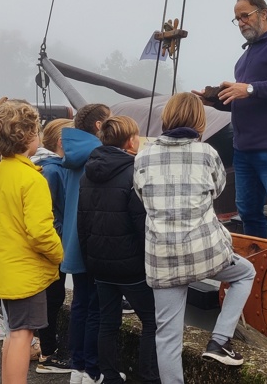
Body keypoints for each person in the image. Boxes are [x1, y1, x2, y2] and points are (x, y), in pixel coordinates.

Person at [134, 92, 256, 384]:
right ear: (199, 120)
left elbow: (142, 195)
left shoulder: (143, 155)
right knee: (245, 273)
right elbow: (217, 188)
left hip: (162, 257)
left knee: (167, 334)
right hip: (204, 252)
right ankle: (219, 340)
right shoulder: (206, 153)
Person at [194, 0, 267, 242]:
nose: (241, 22)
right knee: (248, 213)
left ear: (263, 14)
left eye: (245, 15)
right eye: (237, 19)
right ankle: (258, 266)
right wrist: (215, 100)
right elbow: (245, 102)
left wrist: (249, 88)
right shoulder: (243, 59)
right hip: (244, 150)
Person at [78, 116, 160, 384]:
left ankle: (111, 377)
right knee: (152, 320)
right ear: (130, 141)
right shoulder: (133, 172)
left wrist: (90, 259)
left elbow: (82, 221)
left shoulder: (88, 172)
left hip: (99, 263)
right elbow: (140, 224)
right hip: (130, 265)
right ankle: (149, 377)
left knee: (107, 322)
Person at [0, 101, 64, 384]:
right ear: (28, 135)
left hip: (6, 269)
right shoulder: (32, 179)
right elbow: (41, 232)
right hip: (26, 274)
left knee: (13, 333)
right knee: (23, 335)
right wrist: (59, 254)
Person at [61, 103, 111, 384]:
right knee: (96, 306)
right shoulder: (97, 154)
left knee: (80, 303)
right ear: (98, 125)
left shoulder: (71, 153)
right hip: (91, 237)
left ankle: (77, 367)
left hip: (72, 237)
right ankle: (92, 370)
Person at [31, 118, 74, 374]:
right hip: (54, 244)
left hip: (50, 242)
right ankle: (48, 354)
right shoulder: (54, 170)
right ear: (62, 142)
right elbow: (51, 211)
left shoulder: (44, 167)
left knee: (51, 297)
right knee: (53, 297)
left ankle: (46, 348)